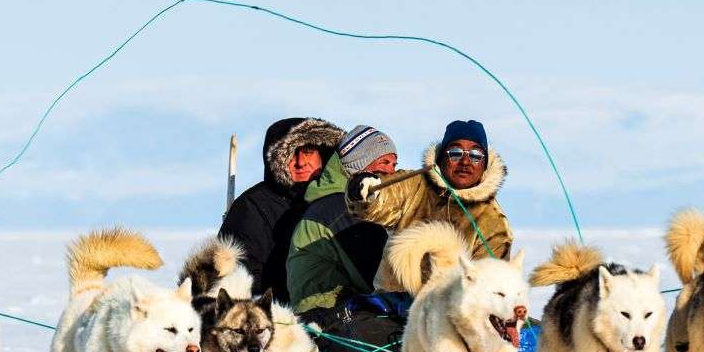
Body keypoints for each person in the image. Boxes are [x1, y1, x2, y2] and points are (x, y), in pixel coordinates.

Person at [346, 119, 513, 260]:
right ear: (441, 158)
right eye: (455, 152)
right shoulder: (415, 184)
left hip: (451, 299)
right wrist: (368, 189)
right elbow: (386, 195)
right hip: (392, 296)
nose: (465, 161)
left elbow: (489, 284)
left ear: (485, 165)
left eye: (476, 155)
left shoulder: (494, 222)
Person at [218, 116, 343, 301]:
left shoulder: (342, 200)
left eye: (308, 152)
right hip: (278, 315)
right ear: (277, 160)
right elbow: (243, 278)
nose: (301, 162)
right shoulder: (252, 207)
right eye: (291, 154)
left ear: (323, 155)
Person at [286, 125, 399, 321]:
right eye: (384, 162)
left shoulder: (347, 206)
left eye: (395, 165)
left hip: (344, 315)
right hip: (327, 322)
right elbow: (373, 275)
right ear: (358, 165)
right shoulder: (338, 208)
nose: (392, 172)